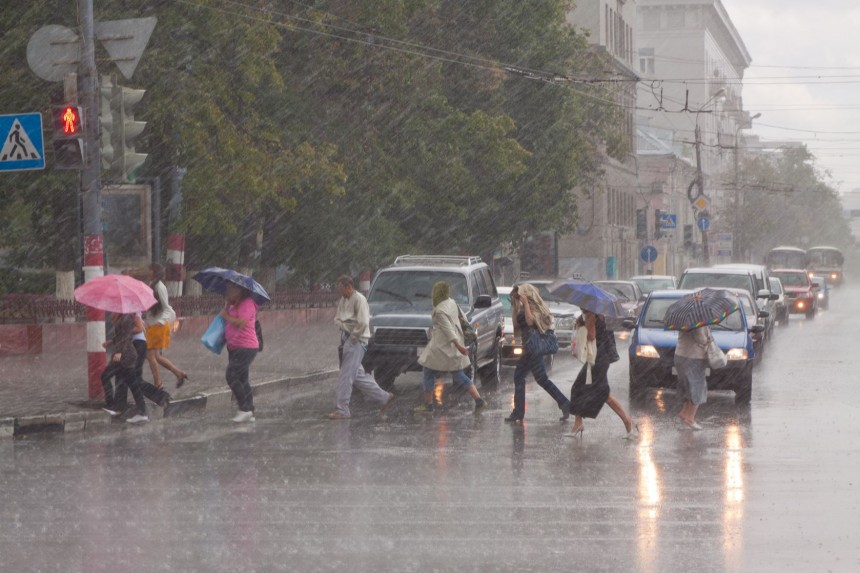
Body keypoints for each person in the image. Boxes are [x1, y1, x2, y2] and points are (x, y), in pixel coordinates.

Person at [414, 281, 486, 415]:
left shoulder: (440, 310)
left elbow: (448, 330)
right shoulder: (451, 302)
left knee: (428, 371)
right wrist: (459, 344)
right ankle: (479, 400)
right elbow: (462, 319)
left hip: (441, 347)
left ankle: (428, 404)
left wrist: (459, 346)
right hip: (451, 346)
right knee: (458, 374)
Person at [329, 275, 393, 420]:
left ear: (349, 286)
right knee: (358, 376)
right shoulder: (343, 300)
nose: (340, 293)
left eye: (341, 289)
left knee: (346, 376)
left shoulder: (359, 299)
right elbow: (338, 319)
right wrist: (345, 327)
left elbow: (363, 323)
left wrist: (352, 337)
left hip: (356, 340)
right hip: (347, 339)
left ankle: (343, 409)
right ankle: (383, 397)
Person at [505, 283, 570, 423]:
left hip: (533, 348)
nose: (519, 298)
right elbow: (516, 325)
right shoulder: (521, 308)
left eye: (520, 295)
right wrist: (515, 305)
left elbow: (529, 322)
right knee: (541, 379)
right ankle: (564, 403)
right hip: (530, 348)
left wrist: (526, 304)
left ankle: (518, 412)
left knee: (519, 377)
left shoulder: (536, 308)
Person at [567, 309, 637, 439]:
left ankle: (628, 422)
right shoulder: (599, 314)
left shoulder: (590, 315)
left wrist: (584, 327)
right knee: (586, 389)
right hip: (600, 357)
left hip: (597, 359)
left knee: (594, 391)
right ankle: (578, 423)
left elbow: (592, 336)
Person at [143, 263, 189, 389]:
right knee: (156, 356)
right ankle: (179, 373)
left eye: (150, 270)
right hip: (154, 325)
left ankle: (158, 383)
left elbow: (167, 308)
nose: (148, 272)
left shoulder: (159, 287)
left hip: (158, 326)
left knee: (150, 355)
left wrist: (160, 322)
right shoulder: (152, 285)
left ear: (155, 272)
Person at [220, 282, 259, 422]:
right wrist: (227, 305)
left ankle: (244, 409)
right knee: (242, 379)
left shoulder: (247, 303)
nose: (228, 291)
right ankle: (249, 410)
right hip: (234, 347)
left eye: (232, 289)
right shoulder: (233, 304)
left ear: (240, 291)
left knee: (231, 376)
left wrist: (226, 316)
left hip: (246, 347)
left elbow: (241, 322)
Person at [101, 312, 149, 424]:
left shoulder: (127, 317)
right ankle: (120, 408)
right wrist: (111, 341)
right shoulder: (122, 316)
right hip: (126, 354)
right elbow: (121, 335)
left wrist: (120, 352)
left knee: (106, 376)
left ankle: (115, 406)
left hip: (126, 355)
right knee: (131, 383)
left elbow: (126, 337)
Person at [674, 325, 711, 430]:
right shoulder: (698, 321)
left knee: (687, 386)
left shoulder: (685, 319)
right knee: (698, 386)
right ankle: (690, 418)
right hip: (694, 357)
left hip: (680, 355)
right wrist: (709, 338)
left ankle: (684, 412)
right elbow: (701, 338)